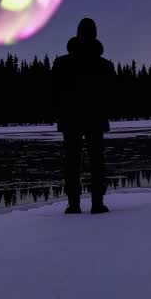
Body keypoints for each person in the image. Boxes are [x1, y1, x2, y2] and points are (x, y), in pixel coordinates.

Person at [52, 17, 115, 214]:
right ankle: (96, 203)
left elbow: (53, 91)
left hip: (72, 120)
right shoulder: (103, 65)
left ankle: (74, 205)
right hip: (92, 119)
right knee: (95, 160)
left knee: (73, 161)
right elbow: (112, 93)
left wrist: (60, 112)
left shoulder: (62, 63)